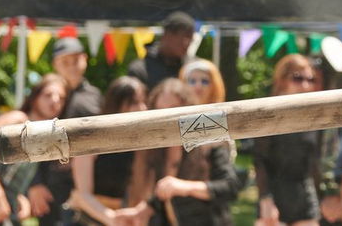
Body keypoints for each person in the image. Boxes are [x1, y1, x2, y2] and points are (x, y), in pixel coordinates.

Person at [131, 79, 240, 226]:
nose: (165, 119)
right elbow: (166, 191)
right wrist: (143, 211)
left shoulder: (209, 139)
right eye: (159, 111)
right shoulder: (158, 149)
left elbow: (230, 187)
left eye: (172, 109)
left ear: (188, 108)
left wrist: (184, 187)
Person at [0, 73, 68, 226]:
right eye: (48, 95)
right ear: (34, 97)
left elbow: (9, 174)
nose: (55, 100)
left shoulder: (43, 135)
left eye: (61, 97)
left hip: (7, 211)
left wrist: (19, 197)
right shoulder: (18, 119)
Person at [29, 36, 105, 226]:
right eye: (65, 61)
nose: (72, 66)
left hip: (90, 179)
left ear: (85, 59)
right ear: (56, 64)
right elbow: (31, 137)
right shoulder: (48, 95)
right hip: (52, 182)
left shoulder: (94, 96)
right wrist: (34, 183)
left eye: (76, 60)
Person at [67, 77, 150, 226]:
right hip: (85, 219)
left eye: (144, 102)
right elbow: (82, 194)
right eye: (135, 103)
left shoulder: (140, 145)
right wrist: (111, 218)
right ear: (117, 104)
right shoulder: (92, 138)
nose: (142, 108)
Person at [254, 55, 325, 226]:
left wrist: (326, 196)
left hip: (305, 195)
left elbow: (315, 164)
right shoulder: (267, 113)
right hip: (275, 194)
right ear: (282, 80)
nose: (305, 85)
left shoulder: (315, 115)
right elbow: (260, 161)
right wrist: (265, 199)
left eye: (310, 79)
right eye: (297, 78)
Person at [128, 13, 198, 90]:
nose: (187, 43)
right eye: (184, 38)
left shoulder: (194, 67)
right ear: (167, 35)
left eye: (190, 39)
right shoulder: (140, 70)